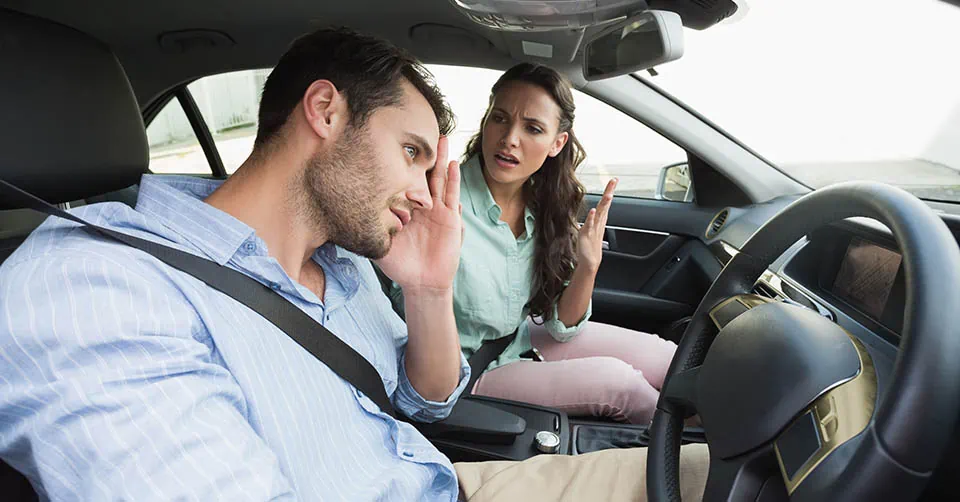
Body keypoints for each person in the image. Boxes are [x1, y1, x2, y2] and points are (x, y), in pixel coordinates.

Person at [0, 28, 706, 501]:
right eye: (412, 154)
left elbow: (425, 401)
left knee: (729, 470)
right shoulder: (95, 288)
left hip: (441, 480)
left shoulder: (341, 261)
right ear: (325, 112)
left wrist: (429, 292)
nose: (426, 192)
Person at [389, 63, 679, 425]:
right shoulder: (440, 202)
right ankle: (696, 452)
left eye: (532, 128)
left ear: (557, 143)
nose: (510, 138)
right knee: (621, 385)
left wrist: (588, 265)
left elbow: (561, 326)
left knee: (667, 357)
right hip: (463, 369)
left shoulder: (545, 207)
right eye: (500, 118)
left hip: (517, 338)